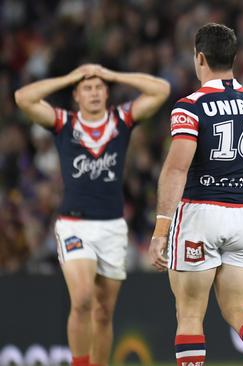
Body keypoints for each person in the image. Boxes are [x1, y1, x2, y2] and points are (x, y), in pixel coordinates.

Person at [14, 64, 170, 366]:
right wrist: (69, 76)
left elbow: (161, 90)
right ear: (76, 95)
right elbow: (23, 98)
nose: (94, 92)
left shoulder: (120, 120)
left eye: (99, 87)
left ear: (108, 92)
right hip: (75, 224)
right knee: (83, 299)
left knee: (103, 312)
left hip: (112, 226)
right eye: (87, 88)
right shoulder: (63, 123)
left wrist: (115, 74)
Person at [147, 23, 243, 366]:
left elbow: (176, 169)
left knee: (190, 314)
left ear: (200, 57)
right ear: (234, 58)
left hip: (199, 213)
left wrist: (161, 230)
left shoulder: (190, 106)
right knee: (241, 309)